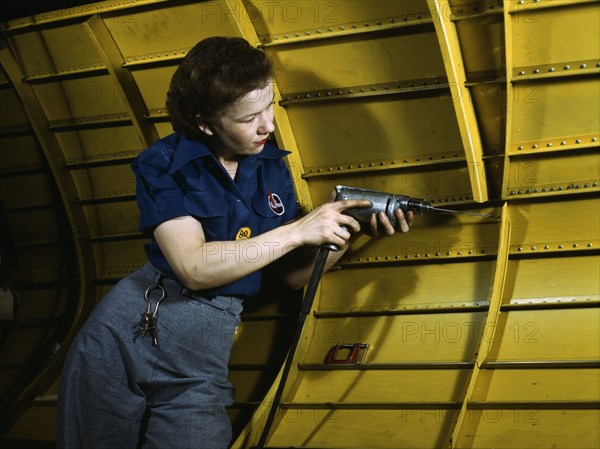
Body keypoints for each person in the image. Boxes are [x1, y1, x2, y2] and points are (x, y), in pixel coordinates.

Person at [57, 36, 413, 449]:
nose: (267, 126)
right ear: (205, 123)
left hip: (202, 347)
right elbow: (193, 267)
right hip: (123, 333)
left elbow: (292, 278)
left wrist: (342, 231)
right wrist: (298, 230)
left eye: (269, 107)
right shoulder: (164, 164)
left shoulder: (271, 169)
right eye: (249, 118)